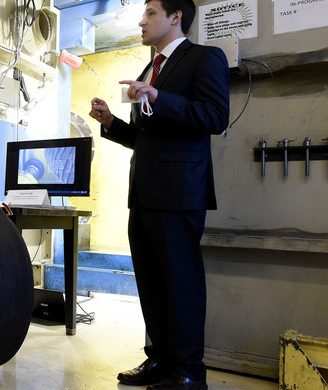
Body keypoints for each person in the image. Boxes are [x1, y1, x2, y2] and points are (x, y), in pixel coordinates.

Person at [88, 1, 229, 389]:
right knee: (151, 283)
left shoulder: (204, 58)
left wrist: (158, 96)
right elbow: (144, 139)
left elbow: (215, 117)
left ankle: (187, 372)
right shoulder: (148, 70)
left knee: (181, 283)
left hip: (181, 193)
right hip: (144, 194)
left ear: (175, 16)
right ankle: (160, 361)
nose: (141, 20)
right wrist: (112, 123)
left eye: (150, 12)